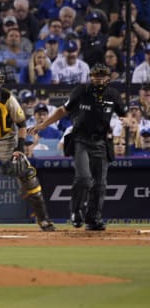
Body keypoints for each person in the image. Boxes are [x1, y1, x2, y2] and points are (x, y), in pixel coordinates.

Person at [29, 64, 128, 231]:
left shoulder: (113, 94)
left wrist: (127, 121)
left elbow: (125, 115)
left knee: (100, 183)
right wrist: (43, 125)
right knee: (83, 177)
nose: (99, 79)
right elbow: (63, 110)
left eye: (102, 75)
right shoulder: (81, 91)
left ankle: (93, 218)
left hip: (101, 142)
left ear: (108, 78)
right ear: (91, 77)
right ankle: (76, 211)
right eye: (96, 75)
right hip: (81, 139)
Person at [0, 66, 55, 232]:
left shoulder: (7, 98)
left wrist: (19, 148)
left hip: (9, 141)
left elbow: (21, 124)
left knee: (29, 176)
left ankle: (44, 220)